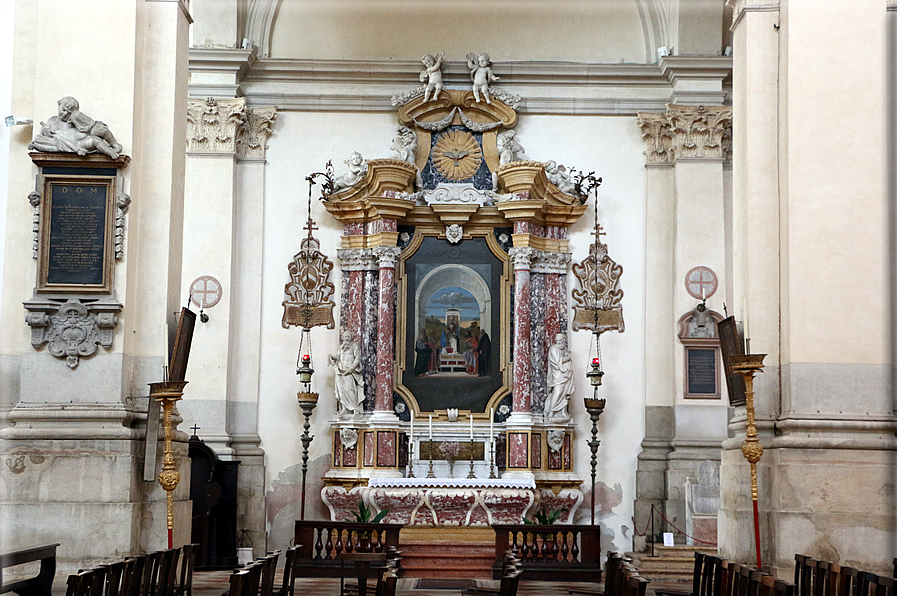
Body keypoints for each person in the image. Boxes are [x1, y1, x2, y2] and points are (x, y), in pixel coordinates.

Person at [28, 96, 122, 159]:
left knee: (101, 130)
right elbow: (44, 131)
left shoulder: (74, 118)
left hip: (84, 135)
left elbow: (87, 124)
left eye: (68, 112)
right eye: (63, 110)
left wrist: (79, 120)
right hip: (78, 144)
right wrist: (46, 131)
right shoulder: (53, 120)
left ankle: (114, 145)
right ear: (59, 106)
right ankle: (111, 152)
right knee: (95, 141)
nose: (65, 114)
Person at [328, 330, 364, 418]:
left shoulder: (355, 346)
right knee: (341, 391)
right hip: (340, 372)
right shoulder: (340, 347)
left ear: (351, 338)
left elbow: (357, 359)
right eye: (345, 337)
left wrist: (351, 369)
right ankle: (344, 409)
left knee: (350, 390)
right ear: (343, 338)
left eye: (348, 337)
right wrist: (331, 356)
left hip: (350, 372)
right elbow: (338, 357)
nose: (346, 338)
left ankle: (355, 409)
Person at [544, 333, 574, 421]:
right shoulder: (554, 349)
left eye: (561, 341)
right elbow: (557, 363)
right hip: (558, 374)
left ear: (564, 341)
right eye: (558, 341)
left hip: (567, 374)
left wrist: (568, 358)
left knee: (564, 393)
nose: (559, 343)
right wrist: (568, 358)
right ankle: (551, 412)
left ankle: (563, 411)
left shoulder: (565, 349)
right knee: (558, 392)